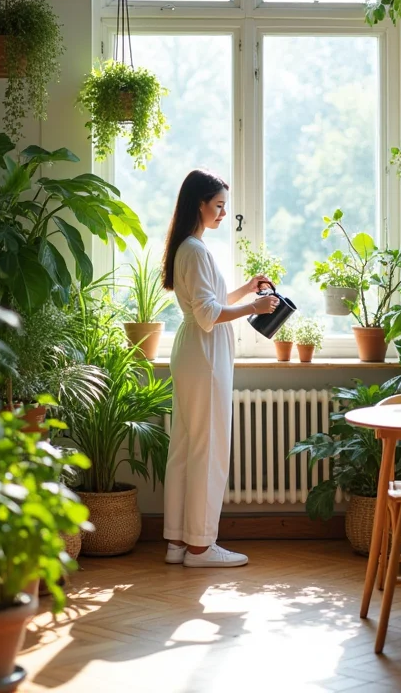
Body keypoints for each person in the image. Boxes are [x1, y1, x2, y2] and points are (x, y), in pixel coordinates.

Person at [161, 169, 279, 568]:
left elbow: (206, 303)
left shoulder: (188, 248)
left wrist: (246, 290)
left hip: (195, 353)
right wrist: (255, 307)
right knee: (208, 448)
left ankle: (178, 542)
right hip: (204, 356)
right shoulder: (194, 250)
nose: (224, 212)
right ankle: (200, 547)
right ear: (200, 203)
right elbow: (210, 314)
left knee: (186, 447)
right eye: (219, 205)